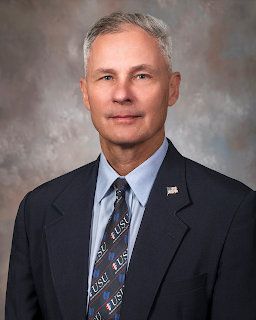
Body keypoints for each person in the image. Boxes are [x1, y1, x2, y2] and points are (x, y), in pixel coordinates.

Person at [5, 11, 256, 320]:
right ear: (86, 93)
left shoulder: (231, 212)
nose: (122, 94)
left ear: (172, 89)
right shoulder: (37, 211)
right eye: (107, 77)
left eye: (141, 76)